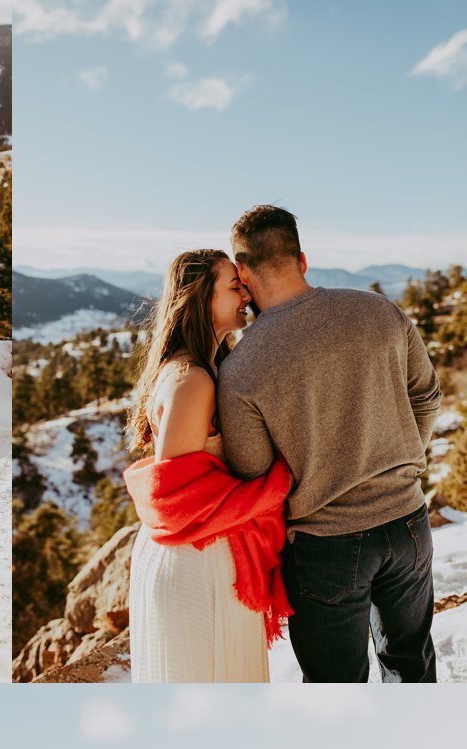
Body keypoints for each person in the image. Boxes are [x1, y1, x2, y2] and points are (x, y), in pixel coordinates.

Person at [218, 204, 441, 683]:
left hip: (325, 546)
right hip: (408, 522)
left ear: (243, 272)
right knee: (413, 666)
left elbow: (253, 471)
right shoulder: (380, 310)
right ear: (301, 259)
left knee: (334, 687)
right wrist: (403, 462)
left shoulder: (240, 369)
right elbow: (426, 394)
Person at [124, 250, 292, 683]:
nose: (245, 293)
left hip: (209, 553)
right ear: (200, 297)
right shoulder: (192, 380)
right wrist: (274, 486)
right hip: (195, 564)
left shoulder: (211, 369)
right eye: (234, 286)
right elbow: (176, 498)